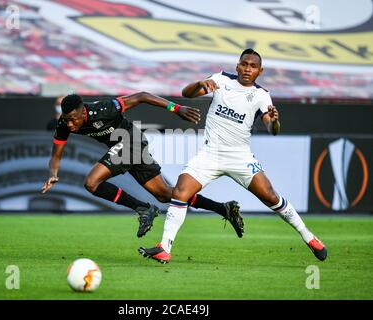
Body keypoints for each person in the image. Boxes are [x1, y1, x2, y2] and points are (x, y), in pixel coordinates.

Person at [139, 48, 327, 264]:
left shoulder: (261, 95)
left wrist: (274, 120)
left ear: (260, 71)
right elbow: (186, 94)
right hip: (210, 154)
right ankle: (164, 247)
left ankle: (309, 237)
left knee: (270, 196)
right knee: (180, 191)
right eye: (244, 64)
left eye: (253, 66)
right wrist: (201, 84)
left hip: (240, 157)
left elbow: (272, 128)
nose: (247, 69)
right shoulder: (220, 79)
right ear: (237, 65)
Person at [41, 92, 244, 238]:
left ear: (83, 111)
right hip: (127, 149)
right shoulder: (64, 124)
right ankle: (223, 209)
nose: (69, 124)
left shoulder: (104, 109)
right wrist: (53, 173)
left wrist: (175, 108)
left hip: (131, 142)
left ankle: (142, 208)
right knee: (166, 195)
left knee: (92, 182)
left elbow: (141, 96)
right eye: (66, 120)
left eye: (73, 120)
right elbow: (56, 154)